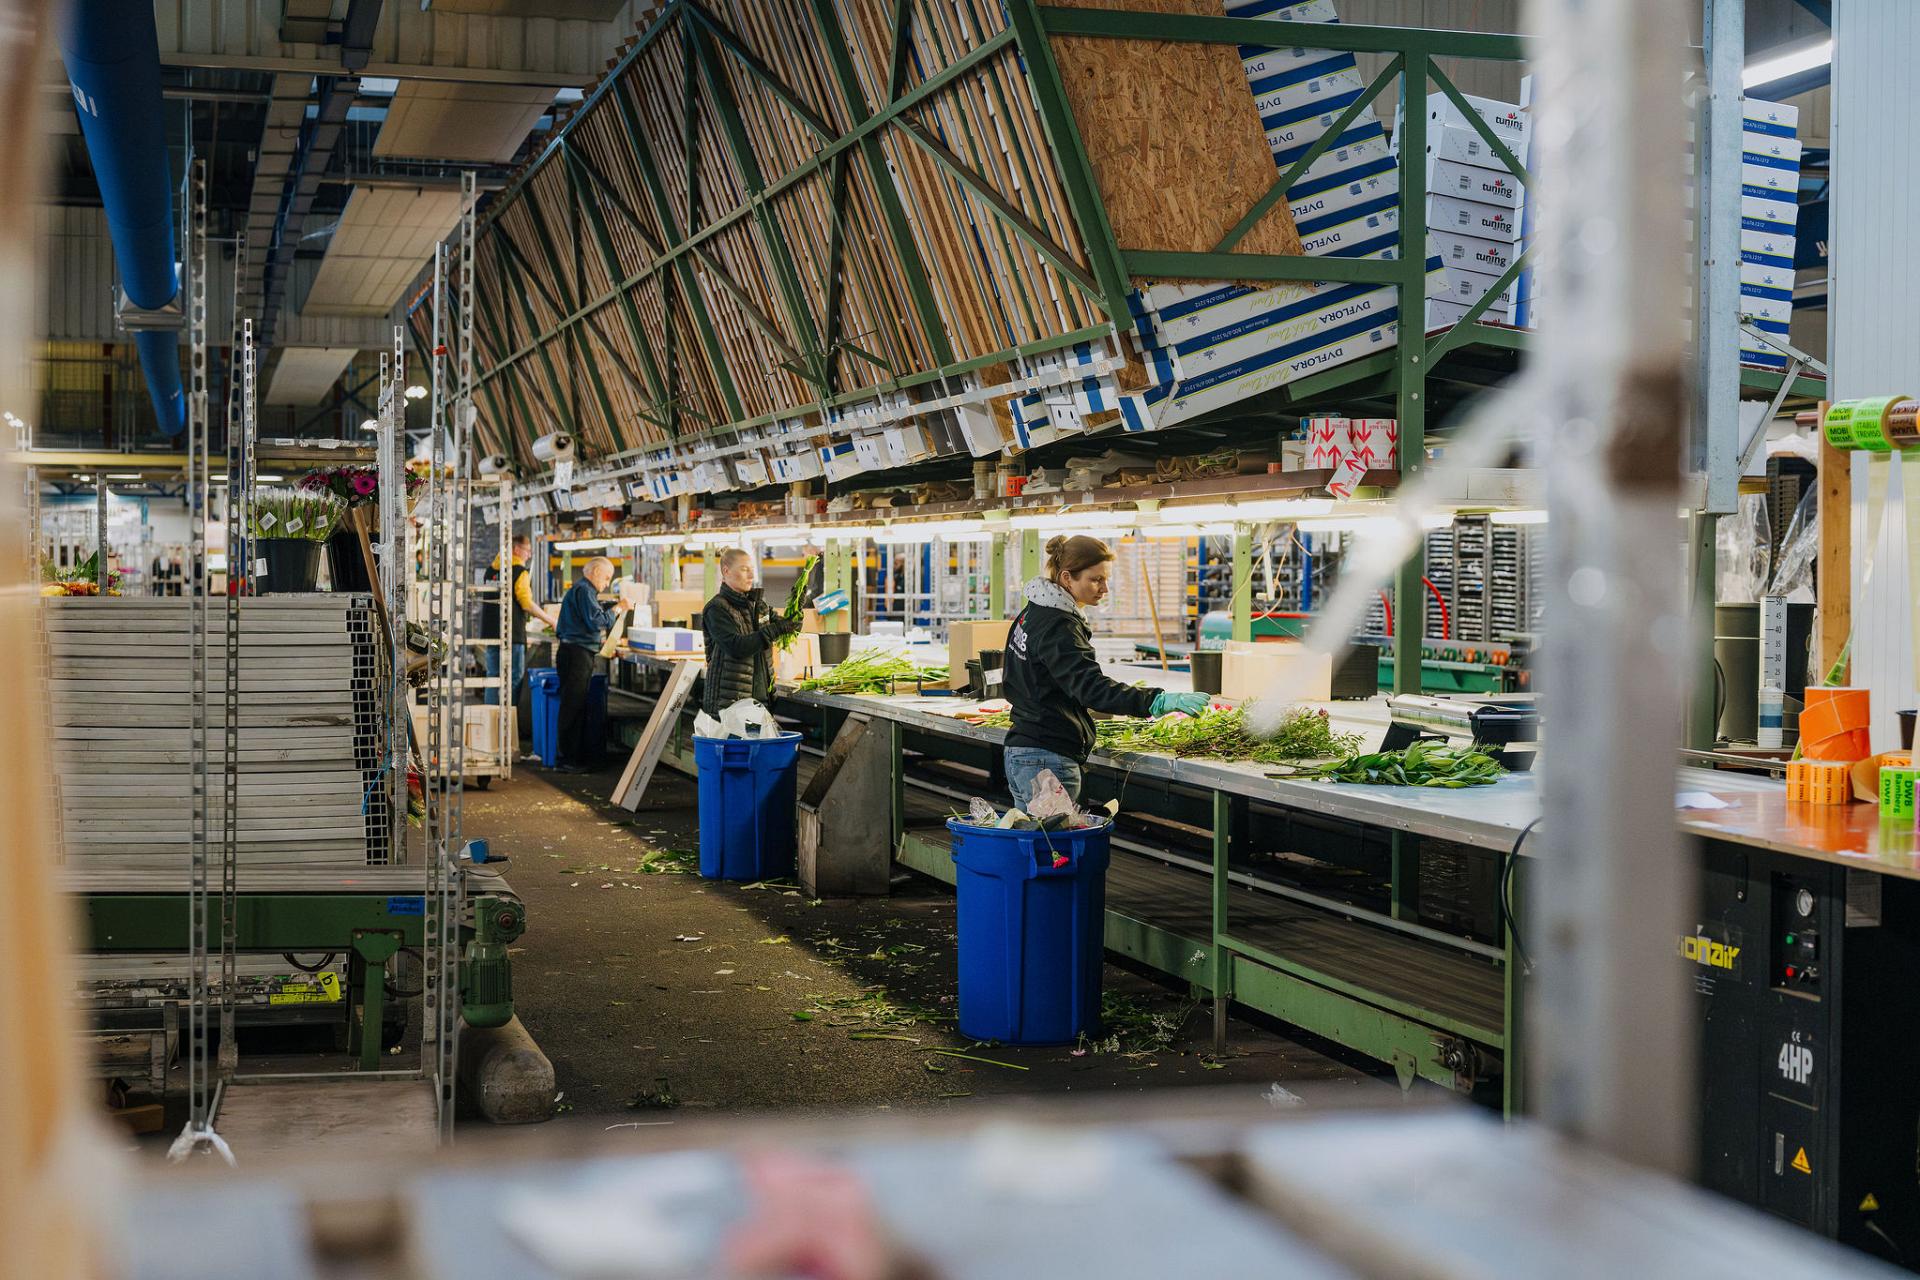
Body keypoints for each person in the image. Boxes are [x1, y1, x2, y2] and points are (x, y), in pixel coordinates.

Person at [1002, 535, 1209, 809]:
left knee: (1035, 845)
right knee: (1055, 850)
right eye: (1096, 579)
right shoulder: (1058, 625)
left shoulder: (1033, 612)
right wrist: (1154, 701)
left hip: (1025, 750)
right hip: (1046, 757)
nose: (1105, 588)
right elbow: (1091, 689)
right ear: (1067, 578)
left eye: (1105, 579)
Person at [700, 547, 801, 717]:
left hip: (761, 702)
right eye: (744, 569)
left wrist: (797, 609)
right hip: (729, 705)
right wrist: (775, 629)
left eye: (752, 570)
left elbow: (790, 629)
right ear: (726, 571)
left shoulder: (758, 606)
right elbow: (737, 647)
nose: (751, 576)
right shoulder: (717, 608)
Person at [554, 555, 631, 772]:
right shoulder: (585, 590)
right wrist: (618, 608)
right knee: (573, 706)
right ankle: (567, 760)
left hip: (576, 651)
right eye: (606, 578)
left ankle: (571, 757)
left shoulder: (582, 590)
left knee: (574, 705)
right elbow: (596, 620)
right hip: (576, 654)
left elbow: (586, 624)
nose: (606, 583)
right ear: (596, 572)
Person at [480, 534, 557, 707]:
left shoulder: (491, 570)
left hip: (490, 633)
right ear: (516, 550)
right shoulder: (519, 572)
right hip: (511, 633)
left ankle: (491, 720)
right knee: (513, 678)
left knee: (493, 676)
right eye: (527, 551)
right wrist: (551, 620)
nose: (529, 555)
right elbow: (526, 604)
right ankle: (509, 725)